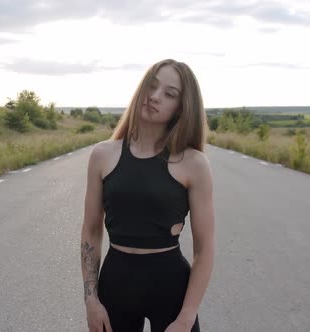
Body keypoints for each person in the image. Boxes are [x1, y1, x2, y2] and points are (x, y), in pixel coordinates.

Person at [80, 59, 215, 332]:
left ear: (181, 107)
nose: (154, 97)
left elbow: (204, 249)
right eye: (151, 87)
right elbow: (91, 232)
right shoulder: (103, 155)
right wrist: (91, 301)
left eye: (169, 93)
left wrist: (186, 318)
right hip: (116, 283)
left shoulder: (193, 163)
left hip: (170, 286)